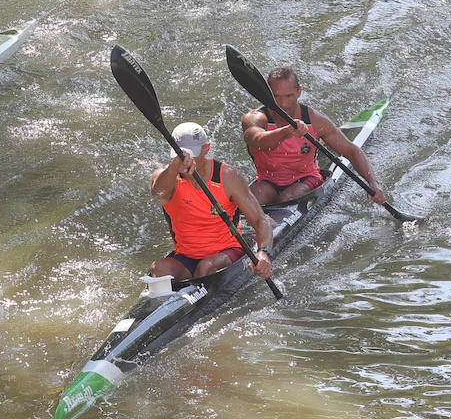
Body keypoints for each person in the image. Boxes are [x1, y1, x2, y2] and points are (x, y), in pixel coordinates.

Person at [241, 66, 388, 206]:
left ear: (299, 92)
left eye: (289, 96)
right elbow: (255, 140)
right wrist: (285, 132)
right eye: (276, 96)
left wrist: (372, 182)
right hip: (267, 181)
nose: (283, 104)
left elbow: (352, 151)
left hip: (305, 179)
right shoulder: (255, 118)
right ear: (267, 94)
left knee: (287, 198)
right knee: (254, 198)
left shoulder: (316, 121)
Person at [149, 122, 275, 281]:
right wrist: (173, 169)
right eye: (181, 154)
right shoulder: (166, 176)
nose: (187, 160)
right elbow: (157, 192)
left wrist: (263, 252)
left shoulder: (228, 176)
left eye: (192, 154)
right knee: (158, 269)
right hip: (186, 257)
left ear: (206, 148)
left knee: (206, 267)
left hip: (227, 252)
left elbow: (259, 220)